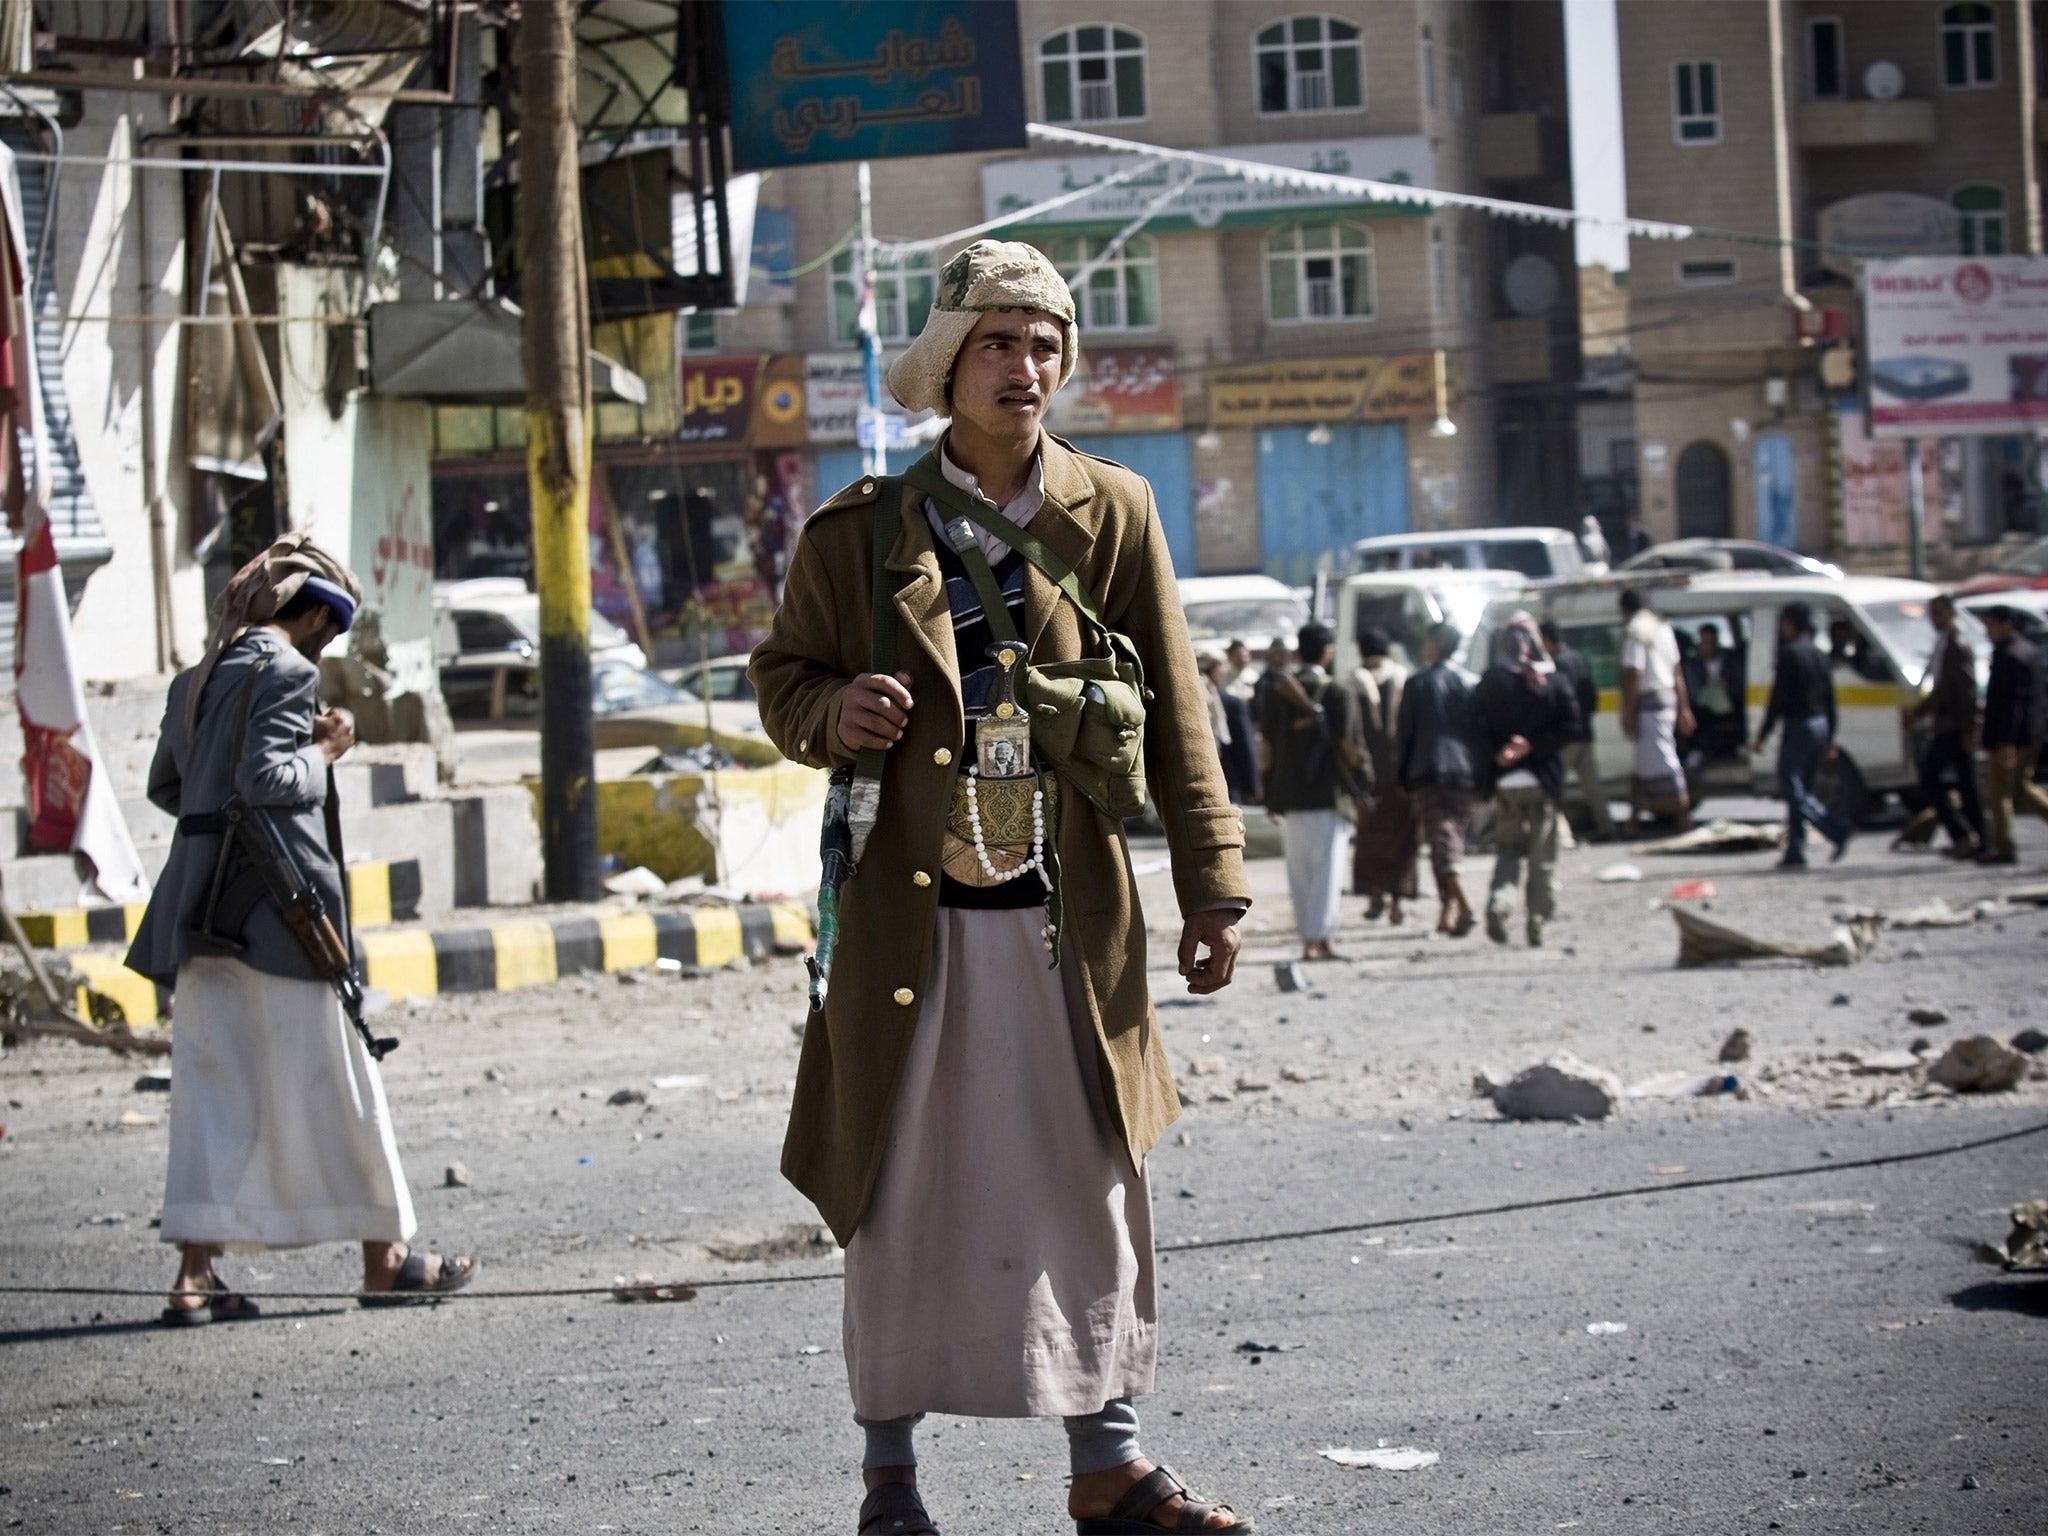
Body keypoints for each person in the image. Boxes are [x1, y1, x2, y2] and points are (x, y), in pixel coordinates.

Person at [748, 239, 1253, 1536]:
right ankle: (889, 1485)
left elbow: (1182, 720)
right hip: (909, 936)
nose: (1025, 368)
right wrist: (835, 711)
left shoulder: (1116, 515)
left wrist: (1216, 890)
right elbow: (782, 683)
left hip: (1061, 933)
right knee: (896, 1189)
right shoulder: (860, 536)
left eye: (1045, 345)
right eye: (998, 343)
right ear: (951, 366)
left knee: (1086, 1185)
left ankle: (1112, 1465)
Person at [126, 535, 476, 1324]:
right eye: (331, 628)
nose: (330, 644)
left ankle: (194, 1277)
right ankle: (385, 1263)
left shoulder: (197, 677)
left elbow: (168, 787)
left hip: (199, 915)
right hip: (279, 917)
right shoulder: (286, 670)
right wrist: (324, 749)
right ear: (313, 614)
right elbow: (268, 780)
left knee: (214, 1093)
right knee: (345, 1082)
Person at [1468, 612, 1581, 946]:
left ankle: (1499, 905)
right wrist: (1532, 745)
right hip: (1542, 783)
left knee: (1508, 851)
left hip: (1505, 785)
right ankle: (1537, 921)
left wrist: (1499, 756)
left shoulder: (1490, 682)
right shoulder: (1553, 682)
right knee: (1542, 858)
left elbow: (1472, 727)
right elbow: (1573, 727)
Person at [1260, 620, 1367, 962]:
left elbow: (1268, 748)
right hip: (1328, 794)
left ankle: (1310, 938)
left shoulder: (1276, 695)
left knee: (1299, 873)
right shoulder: (1338, 691)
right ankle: (1321, 938)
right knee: (1328, 871)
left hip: (1289, 795)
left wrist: (1269, 793)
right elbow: (1349, 746)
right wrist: (1363, 778)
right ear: (1326, 652)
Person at [1752, 600, 1853, 868]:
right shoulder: (1819, 654)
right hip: (1819, 725)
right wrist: (1831, 734)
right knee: (1803, 787)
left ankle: (1835, 827)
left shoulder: (1789, 654)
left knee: (1792, 785)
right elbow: (1830, 698)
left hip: (1799, 726)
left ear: (1791, 623)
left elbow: (1778, 699)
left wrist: (1763, 733)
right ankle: (1795, 851)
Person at [1395, 621, 1478, 937]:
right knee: (1450, 838)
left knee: (1442, 842)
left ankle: (1466, 906)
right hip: (1463, 772)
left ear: (1434, 645)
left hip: (1428, 771)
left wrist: (1402, 775)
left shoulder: (1418, 683)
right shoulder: (1465, 682)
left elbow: (1405, 734)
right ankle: (1447, 912)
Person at [1349, 624, 1419, 924]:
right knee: (1404, 836)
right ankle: (1398, 901)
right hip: (1401, 776)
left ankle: (1376, 894)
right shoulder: (1404, 679)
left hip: (1366, 778)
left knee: (1369, 837)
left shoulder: (1352, 682)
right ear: (1388, 651)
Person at [1907, 594, 1986, 859]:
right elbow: (1941, 688)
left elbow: (1964, 690)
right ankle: (1977, 838)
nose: (1934, 619)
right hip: (1950, 723)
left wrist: (1969, 728)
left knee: (1933, 778)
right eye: (1932, 614)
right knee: (1966, 784)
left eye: (1939, 613)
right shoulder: (1946, 643)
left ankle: (1966, 835)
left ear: (1951, 613)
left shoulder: (1956, 644)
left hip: (1954, 725)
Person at [1618, 588, 1695, 832]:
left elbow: (1634, 674)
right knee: (1643, 763)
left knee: (1663, 760)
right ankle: (1633, 819)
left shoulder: (1636, 632)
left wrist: (1628, 710)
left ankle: (1683, 815)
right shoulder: (1662, 629)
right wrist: (1683, 707)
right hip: (1667, 699)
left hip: (1649, 703)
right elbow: (1677, 672)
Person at [1979, 604, 2048, 864]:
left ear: (2007, 625)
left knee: (1998, 791)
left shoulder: (2011, 655)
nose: (1987, 633)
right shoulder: (2026, 651)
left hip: (2012, 738)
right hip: (2028, 733)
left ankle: (2003, 848)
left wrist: (2006, 742)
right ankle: (2002, 846)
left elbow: (2012, 703)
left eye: (1991, 626)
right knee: (2019, 788)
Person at [1541, 619, 1614, 841]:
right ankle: (1607, 826)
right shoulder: (1579, 658)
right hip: (1584, 732)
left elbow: (1561, 701)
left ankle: (1560, 835)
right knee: (1593, 786)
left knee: (1552, 785)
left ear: (1547, 640)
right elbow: (1590, 695)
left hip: (1567, 736)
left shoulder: (1558, 664)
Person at [1681, 622, 1746, 766]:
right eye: (1705, 642)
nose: (1708, 646)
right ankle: (1696, 750)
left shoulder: (1730, 660)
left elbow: (1739, 683)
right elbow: (1691, 689)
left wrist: (1727, 686)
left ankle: (1740, 744)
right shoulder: (1693, 663)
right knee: (1691, 711)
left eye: (1711, 642)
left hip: (1729, 702)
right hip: (1703, 706)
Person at [1204, 653, 1261, 805]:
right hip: (1229, 783)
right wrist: (1252, 785)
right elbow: (1245, 747)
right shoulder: (1232, 704)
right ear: (1216, 669)